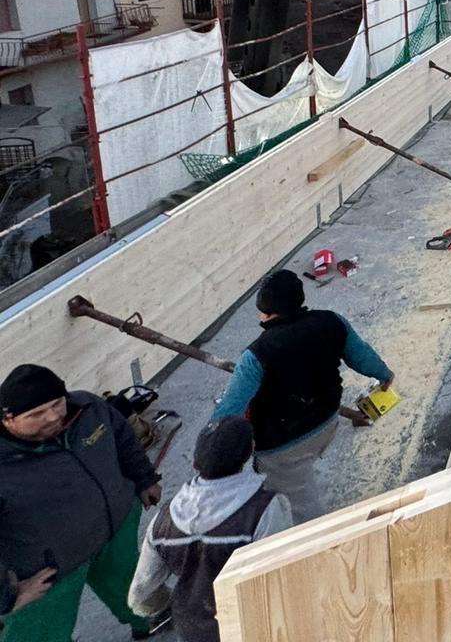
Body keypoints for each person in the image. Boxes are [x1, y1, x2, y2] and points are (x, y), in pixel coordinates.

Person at [0, 364, 166, 641]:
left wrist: (145, 478)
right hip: (52, 570)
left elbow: (123, 437)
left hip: (115, 531)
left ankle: (149, 623)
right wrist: (6, 597)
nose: (53, 416)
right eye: (36, 414)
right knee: (41, 632)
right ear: (7, 420)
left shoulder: (87, 408)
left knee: (133, 588)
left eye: (56, 403)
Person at [213, 270, 393, 523]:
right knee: (306, 463)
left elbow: (228, 412)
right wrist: (383, 374)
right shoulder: (331, 321)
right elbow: (360, 354)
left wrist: (214, 456)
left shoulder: (256, 355)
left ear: (264, 312)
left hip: (284, 446)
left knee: (300, 508)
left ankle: (319, 542)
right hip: (328, 421)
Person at [128, 417, 290, 642]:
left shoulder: (164, 521)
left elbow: (140, 596)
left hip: (193, 629)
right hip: (252, 623)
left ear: (194, 462)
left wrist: (170, 606)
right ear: (250, 451)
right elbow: (278, 577)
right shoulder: (262, 509)